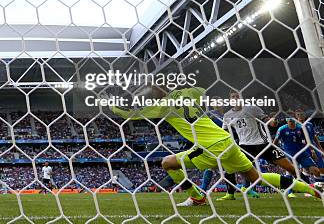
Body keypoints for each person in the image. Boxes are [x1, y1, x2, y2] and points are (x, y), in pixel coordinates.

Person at [110, 86, 321, 207]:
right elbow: (201, 92)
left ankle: (197, 196)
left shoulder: (161, 107)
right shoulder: (188, 94)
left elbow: (129, 114)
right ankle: (311, 190)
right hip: (227, 140)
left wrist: (111, 104)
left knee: (168, 163)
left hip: (211, 146)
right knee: (256, 177)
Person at [217, 91, 298, 201]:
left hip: (262, 144)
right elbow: (225, 132)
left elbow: (265, 119)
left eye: (238, 96)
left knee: (289, 167)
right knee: (230, 168)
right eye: (233, 96)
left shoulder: (252, 108)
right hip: (245, 147)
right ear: (230, 99)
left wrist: (271, 122)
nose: (235, 98)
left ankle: (302, 184)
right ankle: (230, 194)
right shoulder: (227, 116)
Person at [274, 116, 321, 185]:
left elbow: (308, 141)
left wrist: (312, 151)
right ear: (286, 120)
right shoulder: (282, 129)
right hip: (289, 154)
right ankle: (290, 192)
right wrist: (277, 153)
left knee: (316, 171)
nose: (290, 120)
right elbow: (275, 142)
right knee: (293, 173)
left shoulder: (301, 128)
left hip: (302, 154)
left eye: (292, 119)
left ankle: (317, 189)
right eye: (289, 119)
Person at [295, 110, 324, 179]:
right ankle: (308, 182)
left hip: (313, 146)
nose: (300, 116)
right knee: (307, 168)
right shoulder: (295, 127)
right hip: (303, 149)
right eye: (298, 115)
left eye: (302, 114)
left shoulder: (309, 124)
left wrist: (320, 148)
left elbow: (314, 137)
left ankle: (320, 182)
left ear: (305, 115)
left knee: (320, 164)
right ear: (296, 116)